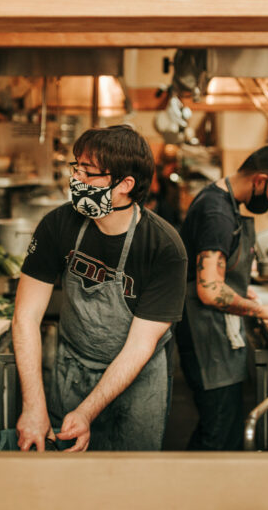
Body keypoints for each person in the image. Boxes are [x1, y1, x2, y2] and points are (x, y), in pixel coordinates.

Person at [12, 125, 187, 452]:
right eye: (75, 167)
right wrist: (33, 408)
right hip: (73, 369)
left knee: (130, 482)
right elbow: (25, 317)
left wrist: (87, 411)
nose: (76, 179)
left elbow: (139, 346)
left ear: (124, 185)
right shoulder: (58, 225)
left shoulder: (164, 247)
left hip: (139, 378)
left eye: (88, 173)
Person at [176, 146, 268, 450]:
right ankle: (195, 496)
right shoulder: (217, 212)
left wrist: (242, 289)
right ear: (260, 180)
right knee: (216, 431)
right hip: (207, 335)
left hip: (214, 332)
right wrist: (261, 310)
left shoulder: (221, 200)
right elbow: (210, 289)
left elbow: (220, 278)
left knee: (223, 426)